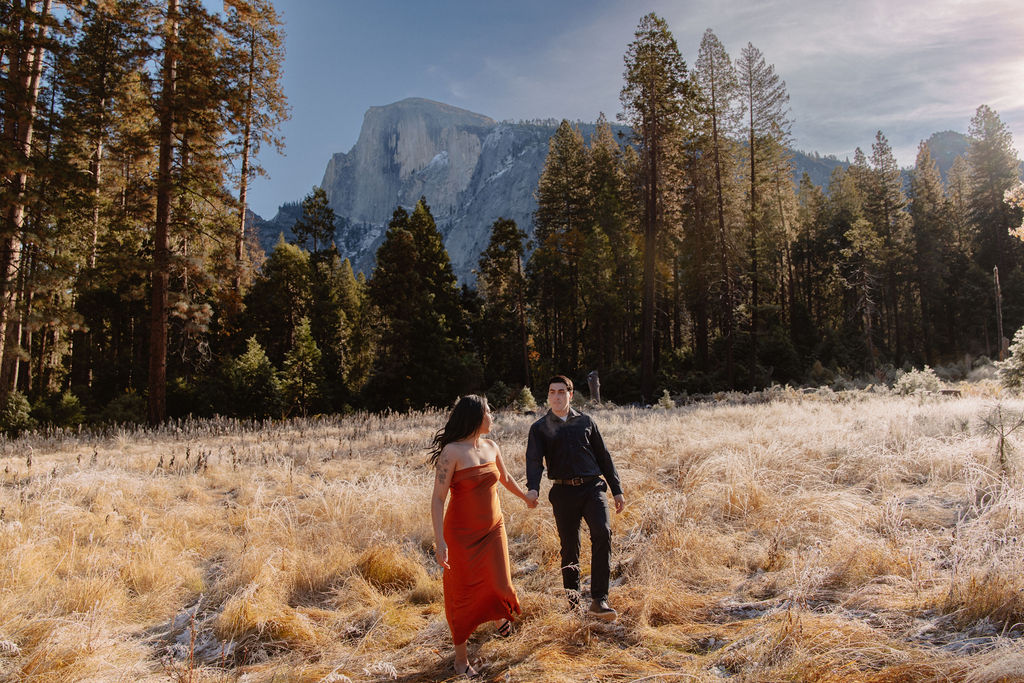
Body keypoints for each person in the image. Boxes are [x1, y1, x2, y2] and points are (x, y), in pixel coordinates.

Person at [429, 395, 537, 678]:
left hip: (493, 528)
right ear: (477, 417)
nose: (493, 416)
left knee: (501, 582)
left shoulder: (491, 446)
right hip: (461, 535)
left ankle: (498, 614)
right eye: (489, 412)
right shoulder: (452, 452)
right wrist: (440, 541)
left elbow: (505, 477)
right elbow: (438, 499)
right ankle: (461, 660)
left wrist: (525, 497)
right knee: (462, 593)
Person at [525, 375, 626, 621]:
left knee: (603, 533)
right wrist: (533, 488)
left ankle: (599, 600)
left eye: (562, 392)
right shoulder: (539, 428)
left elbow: (604, 456)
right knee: (570, 548)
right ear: (548, 396)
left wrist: (616, 489)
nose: (557, 396)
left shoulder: (586, 422)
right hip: (563, 493)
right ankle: (573, 604)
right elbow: (534, 461)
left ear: (571, 394)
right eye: (552, 392)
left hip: (592, 489)